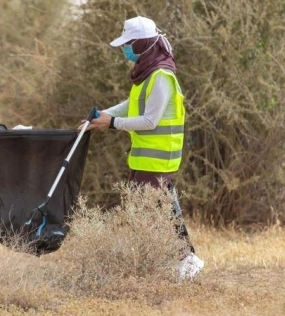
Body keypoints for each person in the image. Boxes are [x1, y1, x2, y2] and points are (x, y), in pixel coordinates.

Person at [84, 16, 205, 280]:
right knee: (162, 208)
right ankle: (186, 258)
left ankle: (182, 260)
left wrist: (112, 123)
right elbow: (131, 104)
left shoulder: (162, 76)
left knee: (148, 211)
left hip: (159, 158)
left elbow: (150, 120)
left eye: (129, 44)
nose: (125, 50)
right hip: (145, 157)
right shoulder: (147, 75)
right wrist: (102, 115)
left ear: (142, 44)